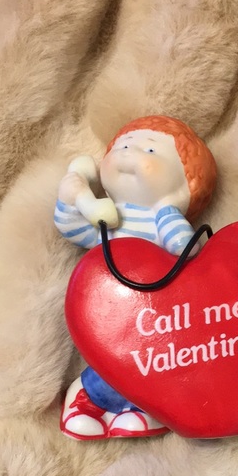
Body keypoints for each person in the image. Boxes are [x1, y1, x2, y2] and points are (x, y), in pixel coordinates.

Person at [55, 115, 217, 440]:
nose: (129, 153)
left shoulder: (162, 218)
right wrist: (74, 196)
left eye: (151, 150)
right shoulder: (108, 217)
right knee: (109, 357)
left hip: (155, 314)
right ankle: (86, 404)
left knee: (146, 359)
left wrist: (169, 211)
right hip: (109, 309)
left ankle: (142, 409)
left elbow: (184, 246)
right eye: (123, 146)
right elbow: (70, 228)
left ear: (186, 184)